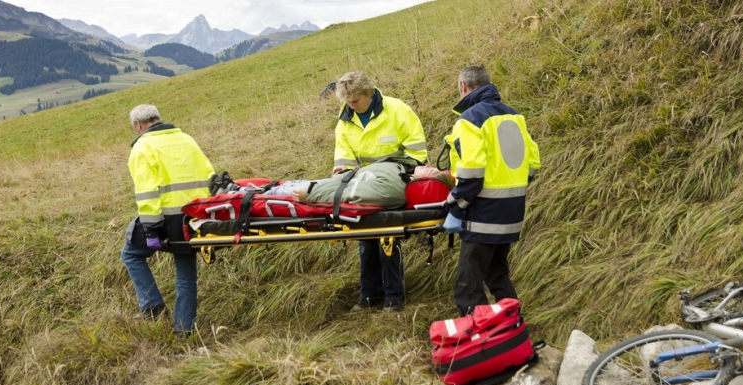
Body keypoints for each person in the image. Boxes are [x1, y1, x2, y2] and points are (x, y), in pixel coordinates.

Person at [442, 65, 541, 317]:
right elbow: (532, 164)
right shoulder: (514, 115)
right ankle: (513, 327)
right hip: (512, 211)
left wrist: (455, 205)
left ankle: (481, 343)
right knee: (497, 274)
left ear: (463, 86)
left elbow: (472, 172)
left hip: (482, 214)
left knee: (468, 284)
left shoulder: (469, 119)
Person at [332, 71, 428, 312]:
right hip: (362, 186)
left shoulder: (397, 110)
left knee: (387, 238)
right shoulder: (345, 121)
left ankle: (394, 297)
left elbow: (417, 153)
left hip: (393, 182)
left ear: (370, 93)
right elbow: (343, 159)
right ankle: (368, 295)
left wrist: (396, 172)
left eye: (356, 101)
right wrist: (343, 174)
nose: (352, 106)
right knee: (365, 240)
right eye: (348, 102)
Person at [121, 104, 215, 334]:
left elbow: (147, 191)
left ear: (138, 125)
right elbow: (209, 176)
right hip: (194, 218)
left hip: (164, 221)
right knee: (186, 276)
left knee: (131, 254)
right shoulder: (186, 139)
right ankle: (183, 331)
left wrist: (152, 229)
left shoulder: (142, 146)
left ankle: (152, 306)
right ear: (158, 119)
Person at [216, 162, 451, 208]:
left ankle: (235, 194)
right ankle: (241, 187)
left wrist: (312, 194)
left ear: (425, 180)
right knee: (290, 184)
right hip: (340, 179)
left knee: (288, 191)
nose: (429, 165)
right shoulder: (403, 168)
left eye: (432, 171)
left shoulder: (394, 191)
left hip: (333, 189)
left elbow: (350, 194)